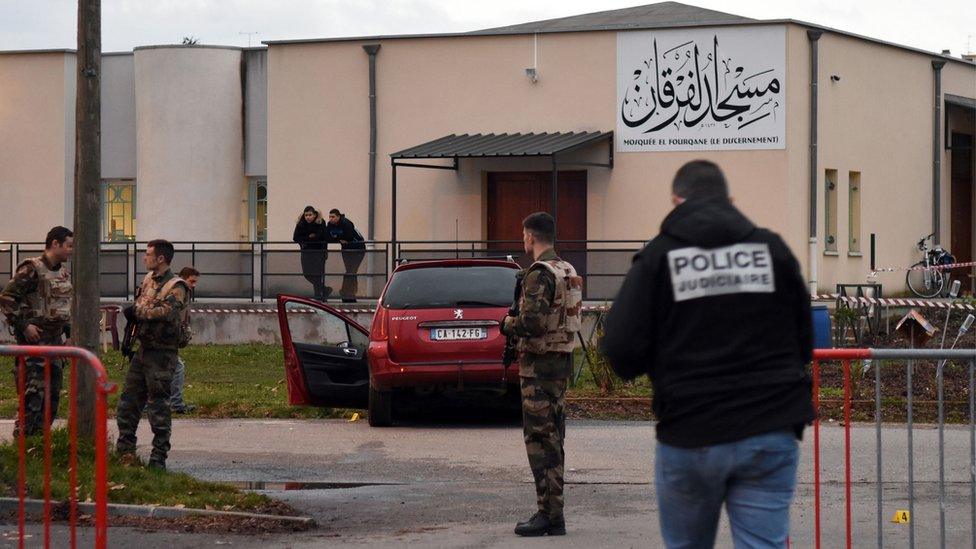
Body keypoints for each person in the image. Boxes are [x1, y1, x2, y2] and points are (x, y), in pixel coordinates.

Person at [600, 160, 814, 548]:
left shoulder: (658, 259)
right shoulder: (772, 250)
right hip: (770, 429)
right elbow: (804, 338)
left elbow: (620, 350)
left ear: (675, 200)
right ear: (729, 200)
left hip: (691, 431)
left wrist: (662, 367)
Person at [501, 212, 582, 537]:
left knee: (539, 439)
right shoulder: (567, 269)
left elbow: (532, 323)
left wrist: (507, 324)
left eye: (524, 235)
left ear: (530, 237)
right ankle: (554, 513)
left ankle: (547, 514)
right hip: (561, 362)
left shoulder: (539, 273)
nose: (523, 241)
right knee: (555, 438)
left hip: (539, 366)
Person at [116, 240, 190, 470]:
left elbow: (166, 312)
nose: (144, 258)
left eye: (148, 255)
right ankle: (125, 452)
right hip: (144, 350)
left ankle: (158, 458)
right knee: (128, 402)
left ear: (161, 259)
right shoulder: (148, 280)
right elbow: (141, 304)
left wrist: (137, 312)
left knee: (158, 406)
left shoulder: (177, 286)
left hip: (162, 353)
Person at [0, 226, 73, 437]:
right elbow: (7, 298)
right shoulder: (31, 269)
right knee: (34, 396)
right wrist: (23, 325)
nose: (71, 250)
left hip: (54, 342)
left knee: (52, 396)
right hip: (34, 342)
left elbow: (64, 306)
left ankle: (40, 444)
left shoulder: (62, 272)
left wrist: (68, 333)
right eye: (68, 245)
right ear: (55, 244)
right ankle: (23, 444)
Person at [170, 266, 200, 414]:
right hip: (166, 336)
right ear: (184, 277)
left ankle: (146, 404)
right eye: (192, 281)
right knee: (177, 368)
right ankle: (176, 403)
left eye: (195, 282)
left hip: (166, 336)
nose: (193, 285)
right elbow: (172, 312)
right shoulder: (178, 289)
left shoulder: (179, 288)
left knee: (157, 369)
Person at [326, 208, 366, 303]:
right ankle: (348, 294)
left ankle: (347, 293)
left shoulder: (346, 223)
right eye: (330, 217)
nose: (331, 219)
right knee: (350, 271)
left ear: (338, 216)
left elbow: (348, 236)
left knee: (352, 271)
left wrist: (338, 238)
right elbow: (327, 237)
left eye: (333, 217)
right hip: (346, 249)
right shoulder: (330, 225)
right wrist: (339, 239)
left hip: (358, 249)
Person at [293, 206, 330, 301]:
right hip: (306, 251)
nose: (308, 217)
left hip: (319, 251)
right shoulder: (301, 223)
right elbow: (295, 238)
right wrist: (309, 237)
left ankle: (319, 295)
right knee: (307, 274)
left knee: (318, 274)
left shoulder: (321, 222)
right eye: (306, 215)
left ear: (314, 215)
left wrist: (306, 238)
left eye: (310, 215)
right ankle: (324, 290)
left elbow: (320, 237)